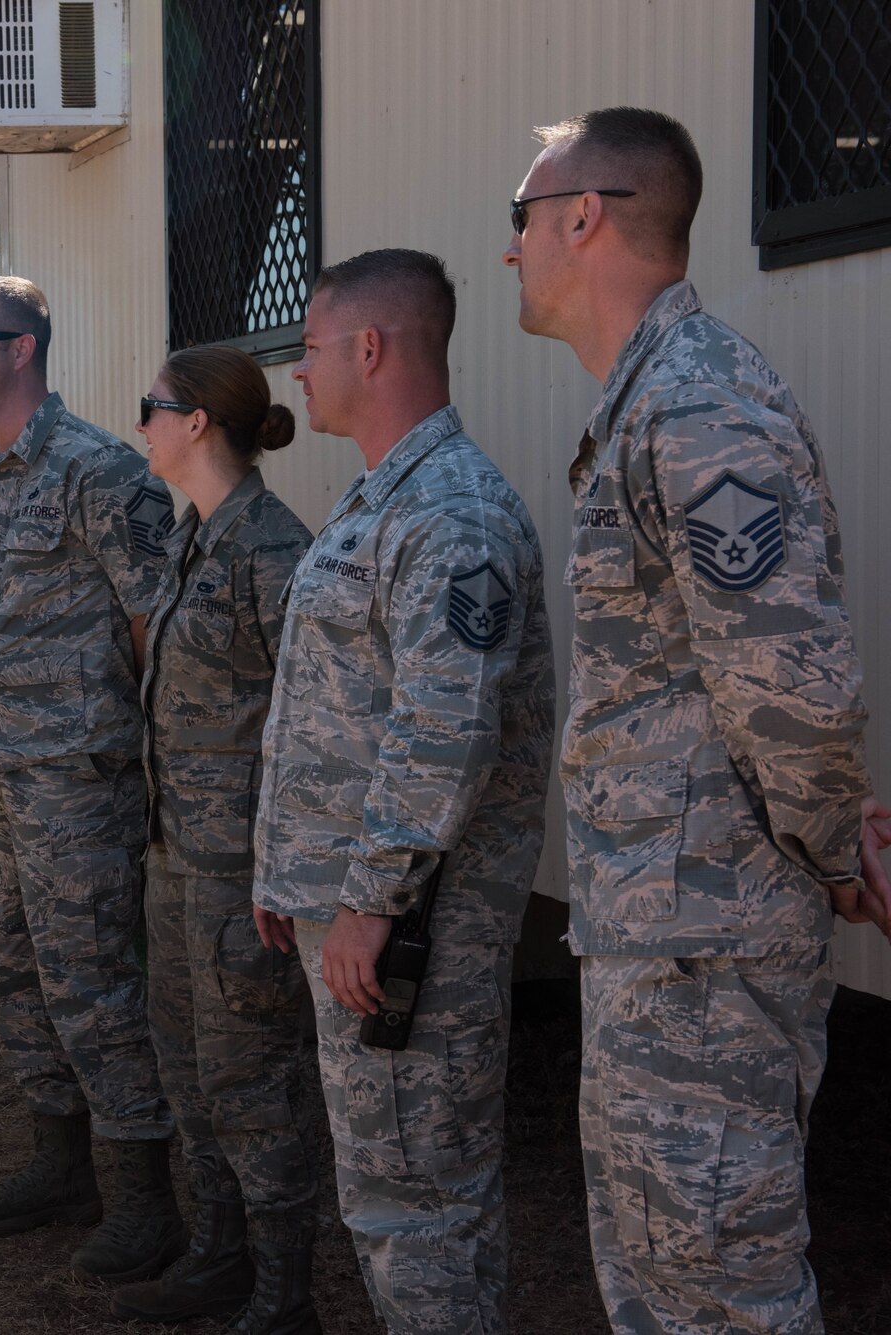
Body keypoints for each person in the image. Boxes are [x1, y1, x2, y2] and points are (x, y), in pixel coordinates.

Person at [506, 107, 880, 1334]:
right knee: (663, 1280)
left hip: (703, 942)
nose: (509, 249)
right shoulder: (648, 401)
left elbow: (789, 683)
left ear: (583, 216)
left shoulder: (697, 406)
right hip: (659, 932)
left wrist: (832, 848)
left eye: (521, 218)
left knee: (720, 1287)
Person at [253, 249, 554, 1333]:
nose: (296, 372)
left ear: (368, 349)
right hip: (358, 914)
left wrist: (368, 900)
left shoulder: (448, 516)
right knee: (410, 1193)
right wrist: (285, 870)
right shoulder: (382, 499)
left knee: (412, 1201)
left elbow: (442, 731)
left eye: (309, 348)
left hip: (409, 933)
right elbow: (338, 707)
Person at [0, 275, 184, 1284]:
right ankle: (58, 1164)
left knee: (92, 984)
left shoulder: (100, 472)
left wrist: (141, 759)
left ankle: (143, 1200)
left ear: (22, 349)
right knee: (9, 973)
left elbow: (152, 624)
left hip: (74, 782)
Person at [107, 345, 315, 1329]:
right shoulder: (195, 538)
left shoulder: (270, 549)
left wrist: (285, 864)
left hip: (241, 872)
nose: (137, 423)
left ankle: (284, 1296)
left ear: (195, 422)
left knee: (251, 1079)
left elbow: (314, 720)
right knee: (189, 1068)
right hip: (176, 858)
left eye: (150, 407)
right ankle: (216, 1257)